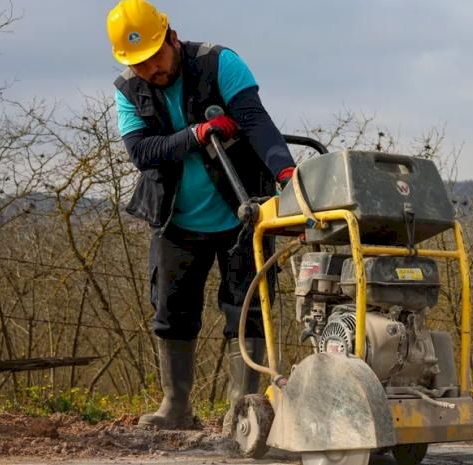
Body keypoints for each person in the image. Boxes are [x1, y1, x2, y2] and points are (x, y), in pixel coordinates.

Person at [106, 0, 295, 432]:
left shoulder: (219, 63)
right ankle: (175, 407)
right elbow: (142, 152)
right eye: (139, 64)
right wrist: (196, 134)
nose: (151, 69)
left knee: (247, 309)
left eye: (155, 56)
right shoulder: (127, 90)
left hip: (242, 212)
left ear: (171, 37)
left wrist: (286, 174)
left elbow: (256, 123)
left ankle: (241, 412)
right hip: (175, 218)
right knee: (170, 311)